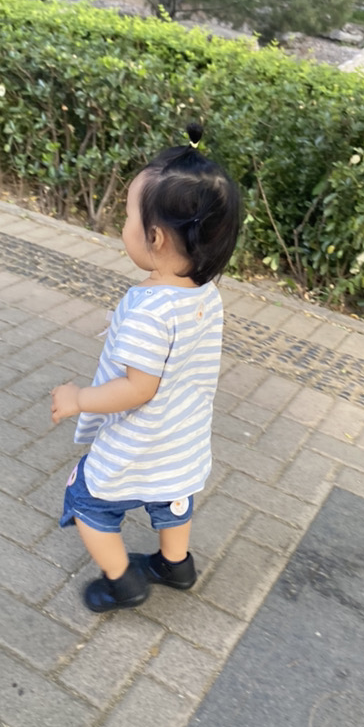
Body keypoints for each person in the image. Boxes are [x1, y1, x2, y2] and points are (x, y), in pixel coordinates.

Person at [51, 123, 242, 612]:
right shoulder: (206, 295)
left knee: (88, 501)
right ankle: (175, 566)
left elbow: (138, 389)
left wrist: (78, 399)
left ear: (154, 237)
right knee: (173, 496)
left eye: (128, 216)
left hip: (139, 443)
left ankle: (123, 582)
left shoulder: (148, 310)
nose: (123, 226)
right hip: (184, 440)